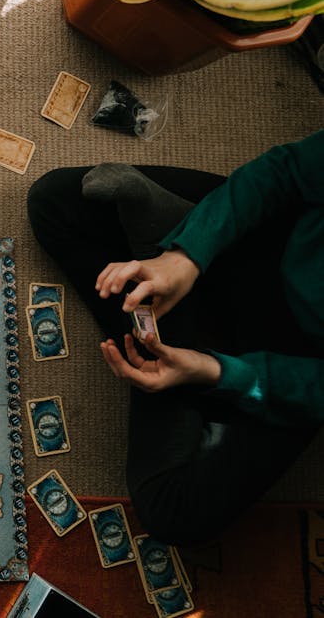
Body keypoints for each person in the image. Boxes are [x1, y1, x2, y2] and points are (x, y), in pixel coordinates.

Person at [27, 130, 323, 545]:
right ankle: (163, 267)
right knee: (56, 200)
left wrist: (215, 371)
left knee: (174, 513)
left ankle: (160, 307)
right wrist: (185, 257)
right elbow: (288, 170)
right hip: (272, 241)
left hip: (293, 364)